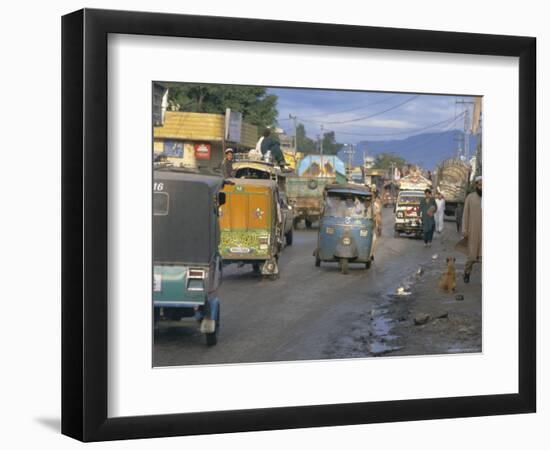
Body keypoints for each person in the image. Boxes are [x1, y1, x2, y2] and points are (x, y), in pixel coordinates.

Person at [462, 176, 482, 283]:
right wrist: (464, 230)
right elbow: (465, 214)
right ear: (476, 185)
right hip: (473, 231)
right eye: (479, 184)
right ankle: (467, 272)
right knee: (472, 257)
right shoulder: (470, 197)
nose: (481, 186)